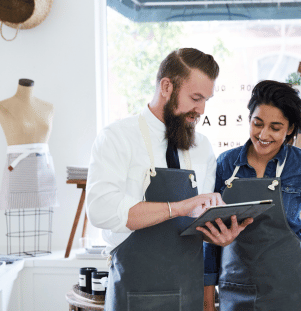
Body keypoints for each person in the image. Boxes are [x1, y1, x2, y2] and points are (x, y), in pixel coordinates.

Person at [86, 48, 252, 311]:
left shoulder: (203, 147)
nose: (201, 109)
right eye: (195, 98)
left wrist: (219, 235)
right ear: (166, 87)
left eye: (206, 99)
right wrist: (178, 207)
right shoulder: (117, 137)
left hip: (189, 294)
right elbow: (101, 212)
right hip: (134, 292)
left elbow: (197, 220)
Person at [203, 80, 301, 311]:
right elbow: (210, 236)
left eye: (275, 128)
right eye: (258, 124)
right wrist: (207, 302)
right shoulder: (226, 164)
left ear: (290, 130)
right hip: (235, 293)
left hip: (290, 295)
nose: (263, 134)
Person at [0, 78, 58, 210]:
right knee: (15, 226)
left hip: (44, 170)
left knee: (46, 226)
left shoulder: (48, 107)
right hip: (17, 168)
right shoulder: (2, 106)